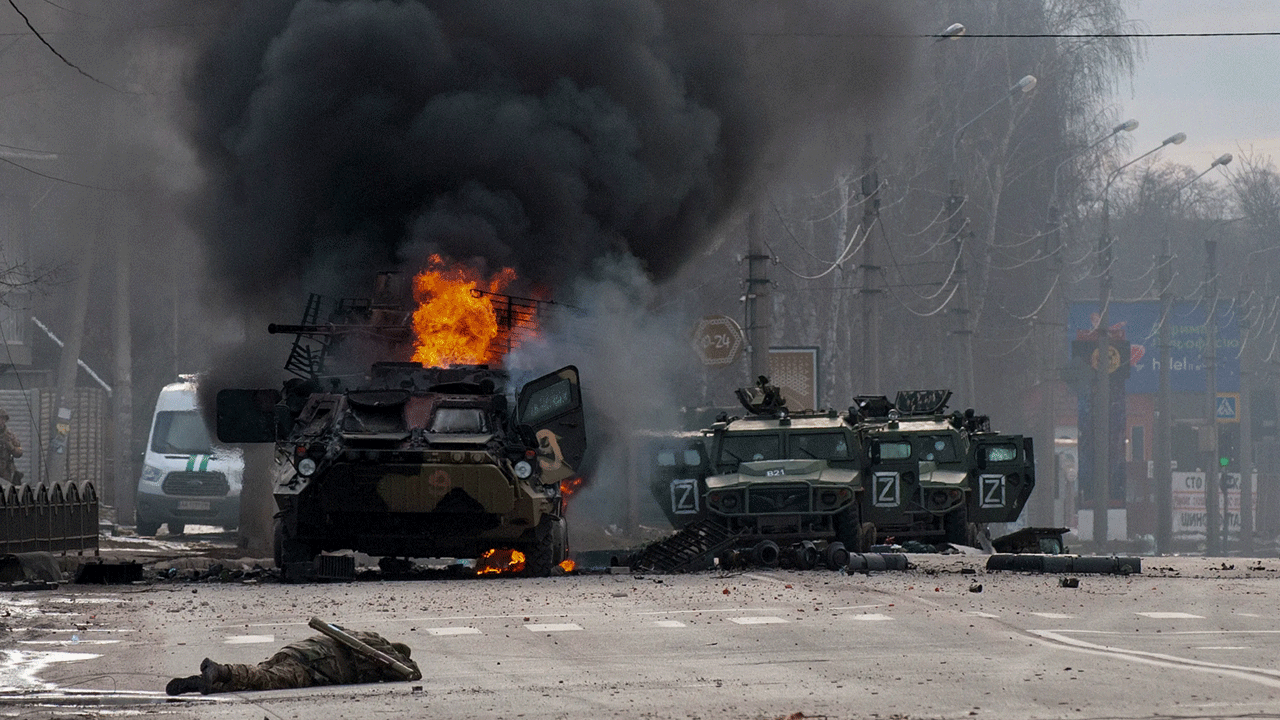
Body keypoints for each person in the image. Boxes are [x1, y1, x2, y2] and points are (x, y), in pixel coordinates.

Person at [166, 629, 421, 695]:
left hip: (297, 651)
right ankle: (221, 670)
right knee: (267, 680)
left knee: (260, 677)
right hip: (317, 664)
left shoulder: (364, 637)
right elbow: (412, 673)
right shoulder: (384, 654)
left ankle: (206, 683)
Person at [0, 408, 23, 484]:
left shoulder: (10, 435)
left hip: (6, 471)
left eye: (2, 419)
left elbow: (19, 452)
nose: (0, 421)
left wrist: (10, 446)